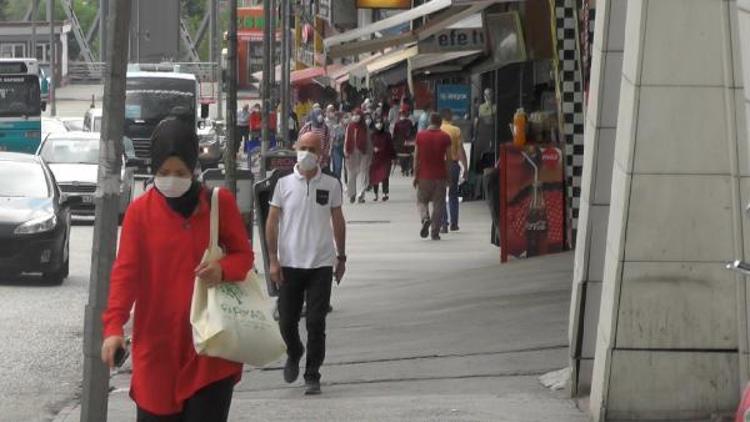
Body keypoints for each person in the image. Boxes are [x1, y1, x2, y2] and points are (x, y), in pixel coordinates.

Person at [101, 118, 253, 421]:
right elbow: (125, 275)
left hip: (210, 350)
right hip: (157, 352)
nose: (172, 179)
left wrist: (222, 269)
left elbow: (244, 256)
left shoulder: (217, 203)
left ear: (194, 167)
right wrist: (113, 328)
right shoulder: (139, 213)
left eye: (180, 172)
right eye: (164, 172)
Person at [265, 131, 347, 396]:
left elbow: (338, 220)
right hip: (290, 264)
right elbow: (272, 221)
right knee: (286, 322)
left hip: (321, 264)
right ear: (295, 149)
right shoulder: (283, 184)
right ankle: (294, 351)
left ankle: (313, 374)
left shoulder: (331, 184)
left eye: (313, 148)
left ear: (322, 152)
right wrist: (273, 260)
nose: (307, 153)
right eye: (303, 147)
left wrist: (341, 257)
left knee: (316, 322)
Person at [413, 113, 451, 241]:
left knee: (421, 201)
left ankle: (425, 218)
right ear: (440, 123)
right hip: (440, 175)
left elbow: (416, 157)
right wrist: (448, 175)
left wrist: (415, 175)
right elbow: (449, 159)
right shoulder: (445, 137)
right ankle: (435, 232)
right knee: (438, 204)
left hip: (424, 175)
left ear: (429, 122)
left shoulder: (420, 136)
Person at [440, 109, 469, 233]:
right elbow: (461, 151)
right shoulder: (456, 130)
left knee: (440, 195)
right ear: (451, 117)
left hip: (440, 166)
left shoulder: (438, 130)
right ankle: (454, 223)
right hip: (453, 165)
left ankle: (444, 223)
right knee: (453, 194)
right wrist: (466, 168)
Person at [344, 108, 372, 204]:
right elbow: (346, 139)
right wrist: (346, 151)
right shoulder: (350, 126)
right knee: (351, 174)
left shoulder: (365, 127)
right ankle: (352, 194)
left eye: (357, 115)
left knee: (363, 173)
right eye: (354, 115)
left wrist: (369, 154)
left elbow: (369, 141)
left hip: (363, 153)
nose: (355, 117)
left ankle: (361, 194)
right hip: (352, 152)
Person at [369, 117, 396, 202]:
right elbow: (368, 146)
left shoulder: (387, 135)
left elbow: (391, 146)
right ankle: (376, 194)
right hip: (375, 159)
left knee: (385, 176)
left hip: (385, 159)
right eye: (377, 122)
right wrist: (373, 149)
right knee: (375, 177)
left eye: (380, 122)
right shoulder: (372, 135)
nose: (379, 124)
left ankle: (385, 193)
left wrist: (394, 157)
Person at [392, 108, 416, 176]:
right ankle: (406, 168)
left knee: (406, 154)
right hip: (406, 144)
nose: (402, 115)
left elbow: (395, 134)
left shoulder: (399, 123)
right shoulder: (408, 122)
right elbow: (412, 133)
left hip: (402, 145)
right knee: (409, 154)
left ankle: (405, 168)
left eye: (403, 113)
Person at [328, 111, 346, 180]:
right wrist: (330, 149)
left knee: (347, 168)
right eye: (343, 118)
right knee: (338, 167)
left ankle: (347, 182)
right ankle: (337, 181)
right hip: (337, 148)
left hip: (346, 148)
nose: (344, 120)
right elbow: (332, 139)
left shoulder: (348, 127)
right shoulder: (335, 128)